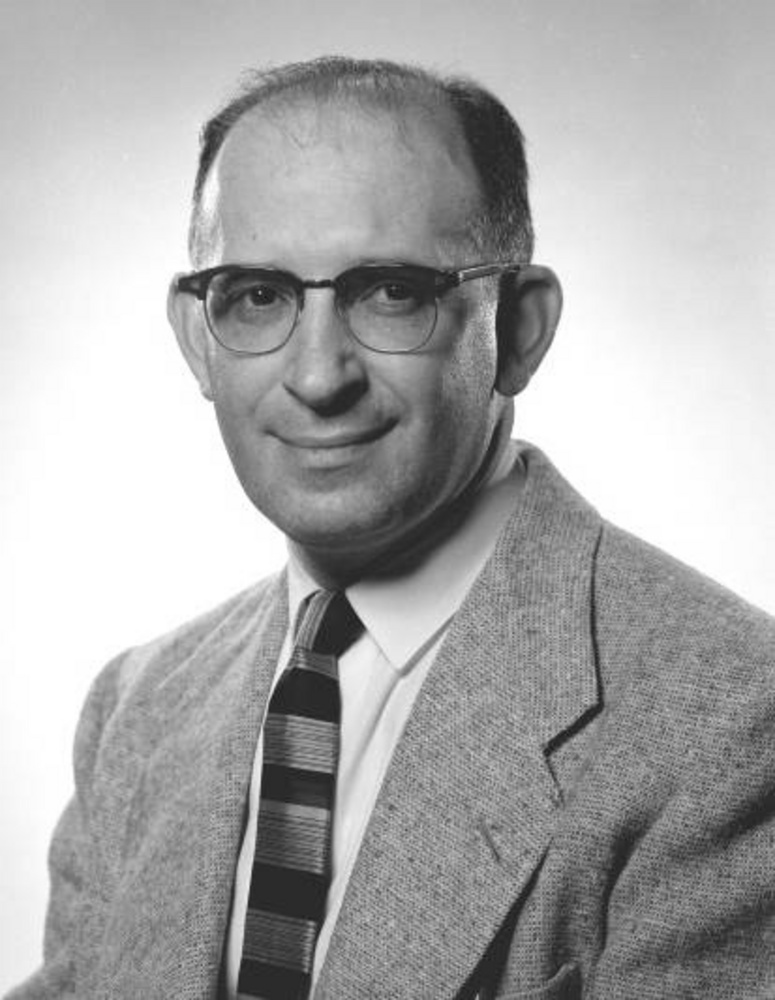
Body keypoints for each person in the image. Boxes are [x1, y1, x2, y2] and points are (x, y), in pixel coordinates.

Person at [8, 55, 775, 1000]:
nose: (319, 375)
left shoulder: (733, 720)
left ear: (521, 329)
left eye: (389, 292)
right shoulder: (135, 710)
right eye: (258, 295)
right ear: (198, 338)